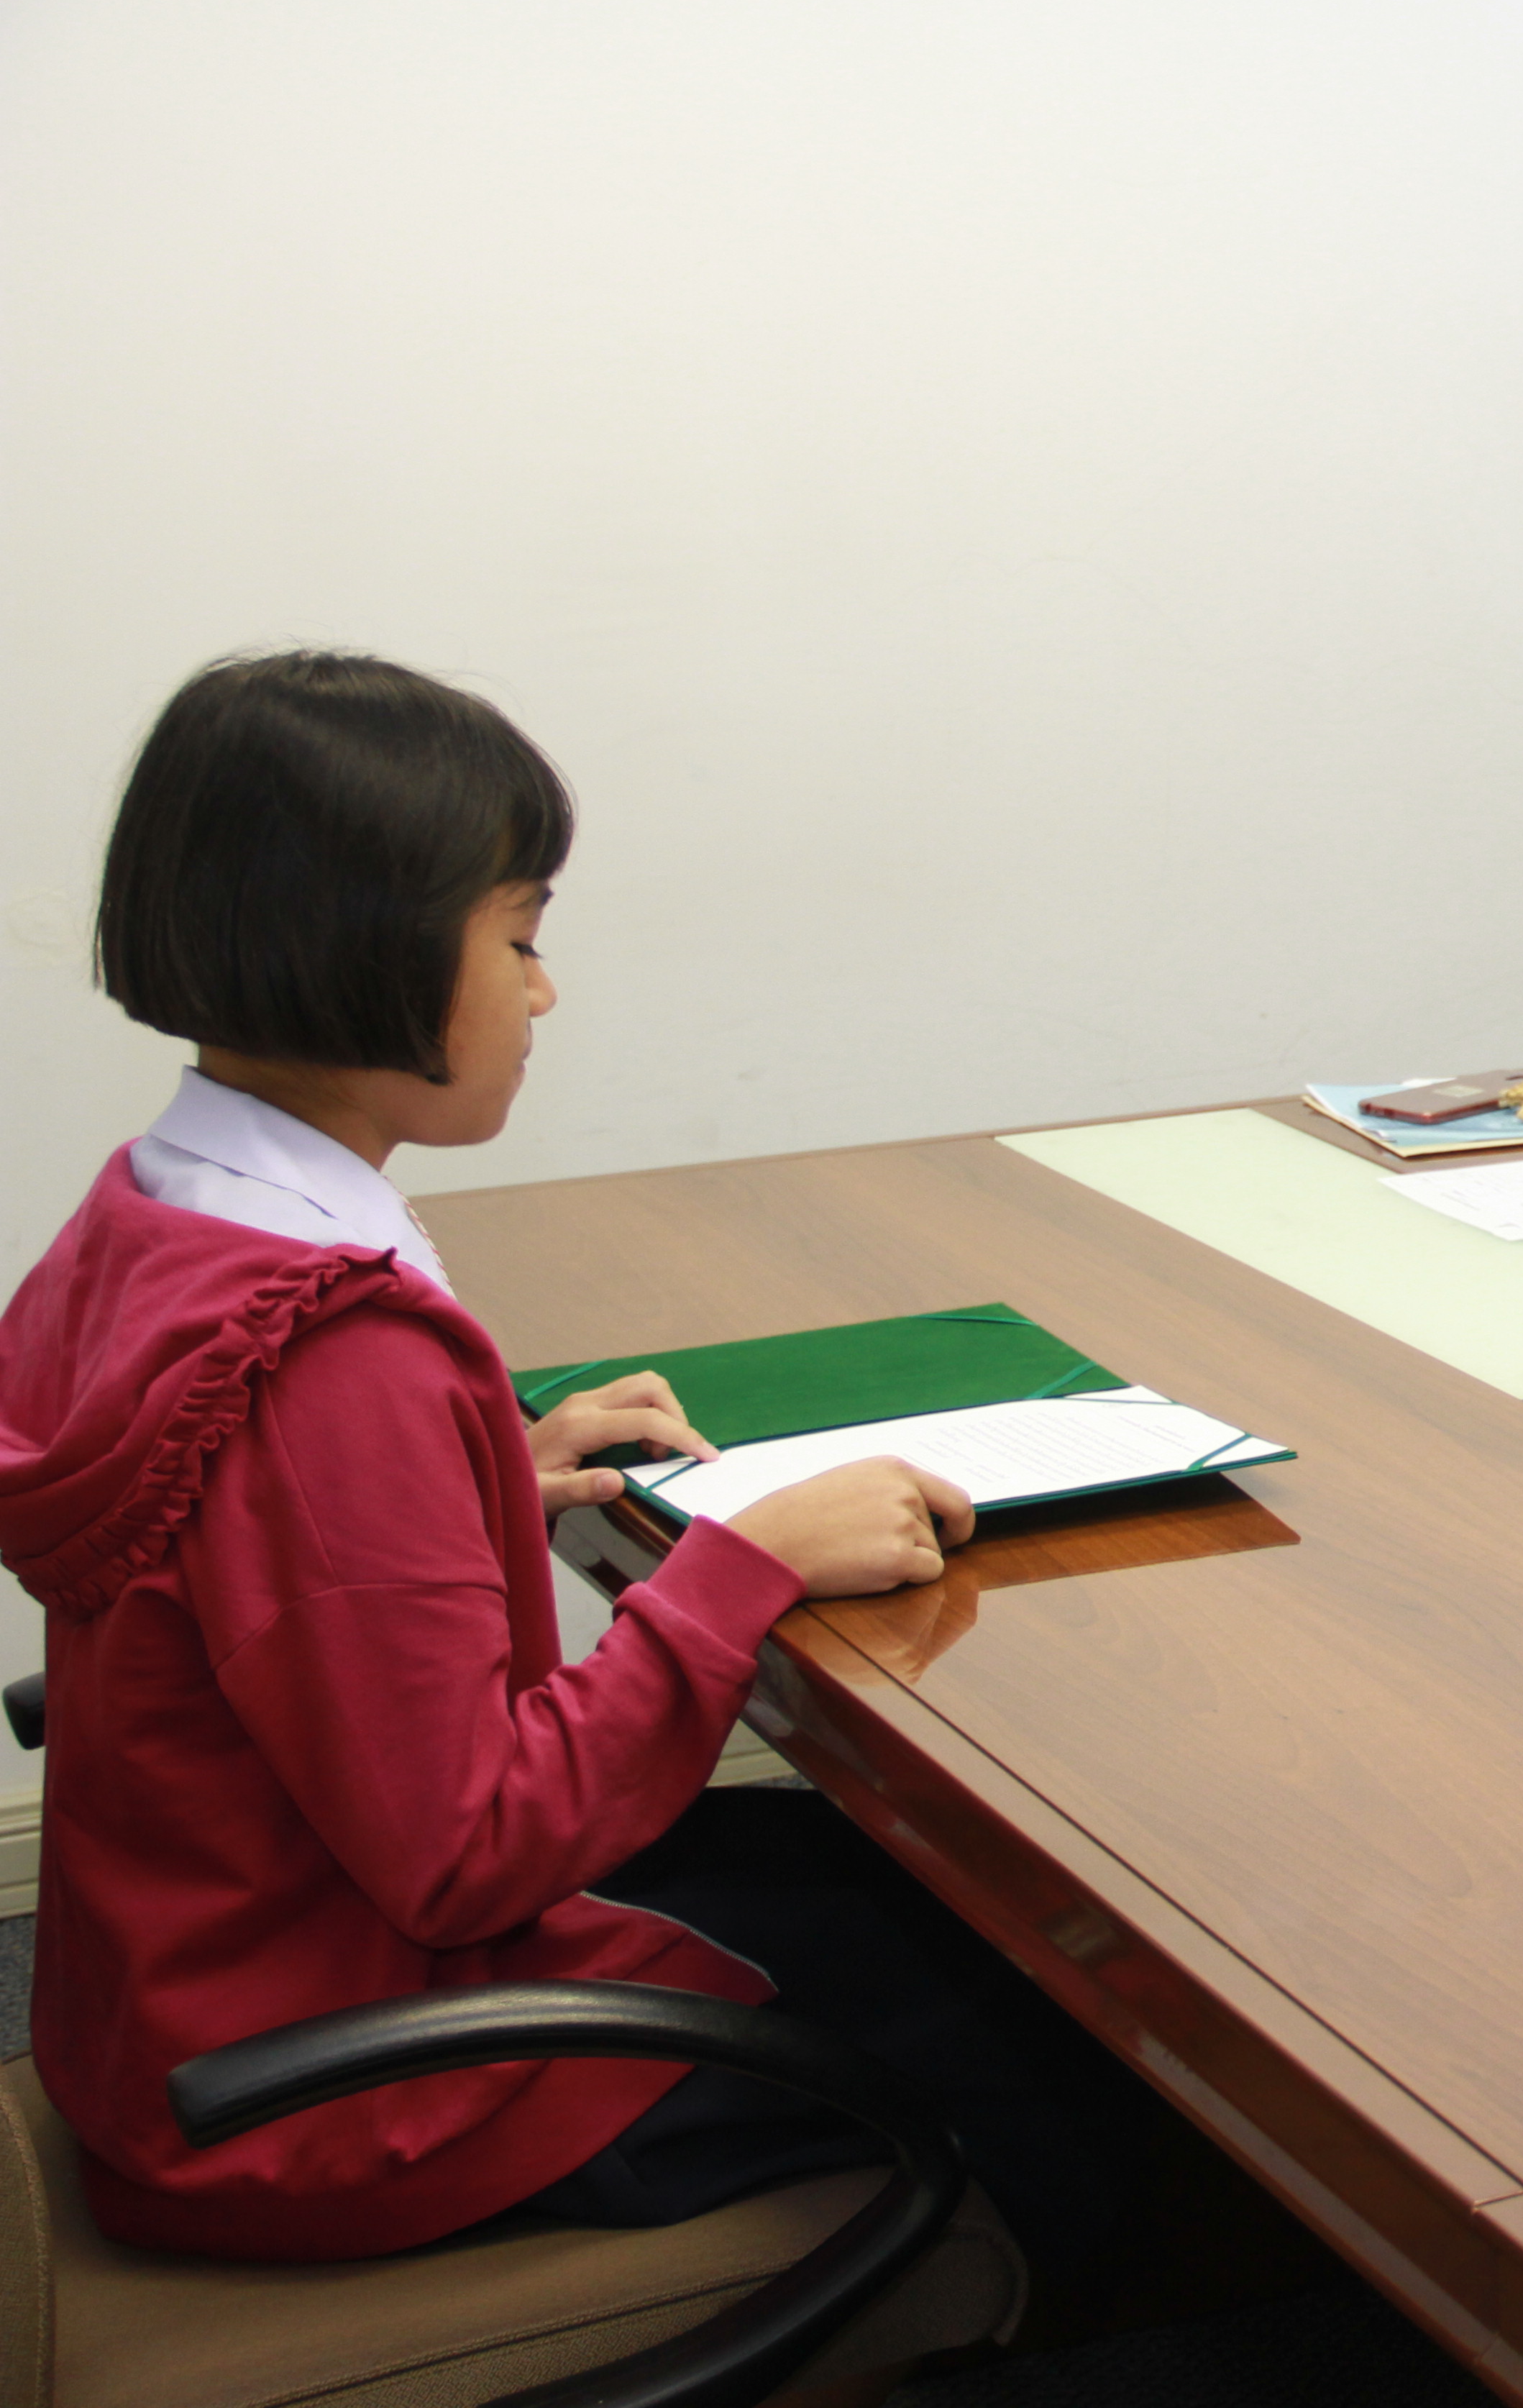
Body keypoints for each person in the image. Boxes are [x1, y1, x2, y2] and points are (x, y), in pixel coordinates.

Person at [0, 652, 1143, 2266]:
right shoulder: (334, 1355)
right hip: (339, 2087)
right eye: (521, 938)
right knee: (1047, 2012)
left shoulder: (150, 1216)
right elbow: (469, 1853)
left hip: (184, 2000)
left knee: (867, 1888)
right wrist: (747, 1569)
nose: (544, 994)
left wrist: (471, 1485)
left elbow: (244, 1557)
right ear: (371, 945)